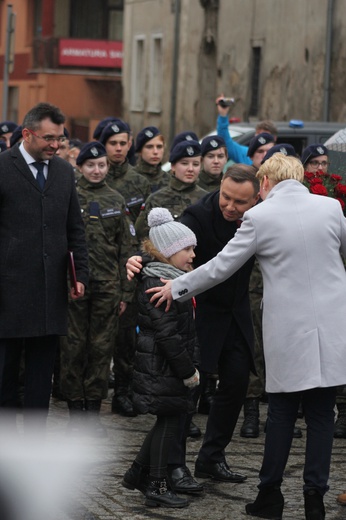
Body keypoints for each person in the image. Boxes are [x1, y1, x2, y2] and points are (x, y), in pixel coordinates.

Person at [147, 153, 346, 520]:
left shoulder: (260, 216)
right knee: (321, 414)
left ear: (265, 183)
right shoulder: (332, 207)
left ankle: (270, 495)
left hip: (288, 328)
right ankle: (315, 498)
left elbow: (221, 266)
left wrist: (176, 287)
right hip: (333, 325)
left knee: (283, 412)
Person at [127, 165, 260, 483]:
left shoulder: (261, 218)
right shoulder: (199, 213)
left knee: (237, 382)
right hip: (200, 313)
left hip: (236, 313)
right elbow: (167, 245)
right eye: (225, 197)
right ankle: (174, 465)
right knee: (186, 392)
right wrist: (139, 259)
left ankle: (212, 457)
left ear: (255, 200)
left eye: (239, 203)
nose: (229, 206)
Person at [0, 102, 88, 431]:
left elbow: (74, 229)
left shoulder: (64, 172)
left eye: (60, 139)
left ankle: (34, 442)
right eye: (48, 138)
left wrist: (80, 275)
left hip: (50, 290)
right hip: (8, 291)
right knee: (6, 371)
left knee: (41, 373)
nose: (55, 145)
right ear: (27, 134)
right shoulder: (3, 168)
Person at [122, 207, 200, 508]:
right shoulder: (159, 284)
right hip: (165, 367)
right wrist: (187, 371)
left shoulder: (173, 277)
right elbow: (168, 336)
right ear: (168, 252)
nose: (193, 254)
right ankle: (156, 483)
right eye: (186, 249)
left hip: (166, 367)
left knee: (168, 420)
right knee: (169, 423)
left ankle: (136, 473)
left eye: (193, 247)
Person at [60, 141, 135, 437]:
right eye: (90, 165)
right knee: (72, 347)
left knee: (102, 348)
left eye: (101, 165)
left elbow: (125, 249)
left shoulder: (116, 199)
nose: (96, 170)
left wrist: (125, 292)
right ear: (79, 166)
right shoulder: (68, 196)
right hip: (73, 285)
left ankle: (92, 412)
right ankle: (74, 412)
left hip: (108, 287)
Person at [100, 119, 149, 416]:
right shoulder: (95, 175)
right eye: (112, 143)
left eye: (123, 143)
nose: (118, 149)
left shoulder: (140, 181)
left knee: (127, 336)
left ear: (130, 145)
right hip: (102, 265)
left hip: (131, 265)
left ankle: (123, 392)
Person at [135, 139, 207, 241]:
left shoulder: (206, 199)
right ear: (173, 166)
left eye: (195, 164)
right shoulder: (157, 199)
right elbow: (142, 236)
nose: (190, 169)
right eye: (184, 163)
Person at [215, 94, 277, 165]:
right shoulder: (246, 153)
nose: (260, 139)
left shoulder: (281, 159)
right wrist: (223, 115)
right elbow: (225, 142)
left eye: (265, 136)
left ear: (274, 139)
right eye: (258, 135)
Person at [132, 126, 170, 191]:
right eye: (149, 147)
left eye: (159, 147)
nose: (155, 152)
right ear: (140, 151)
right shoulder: (130, 178)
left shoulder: (170, 181)